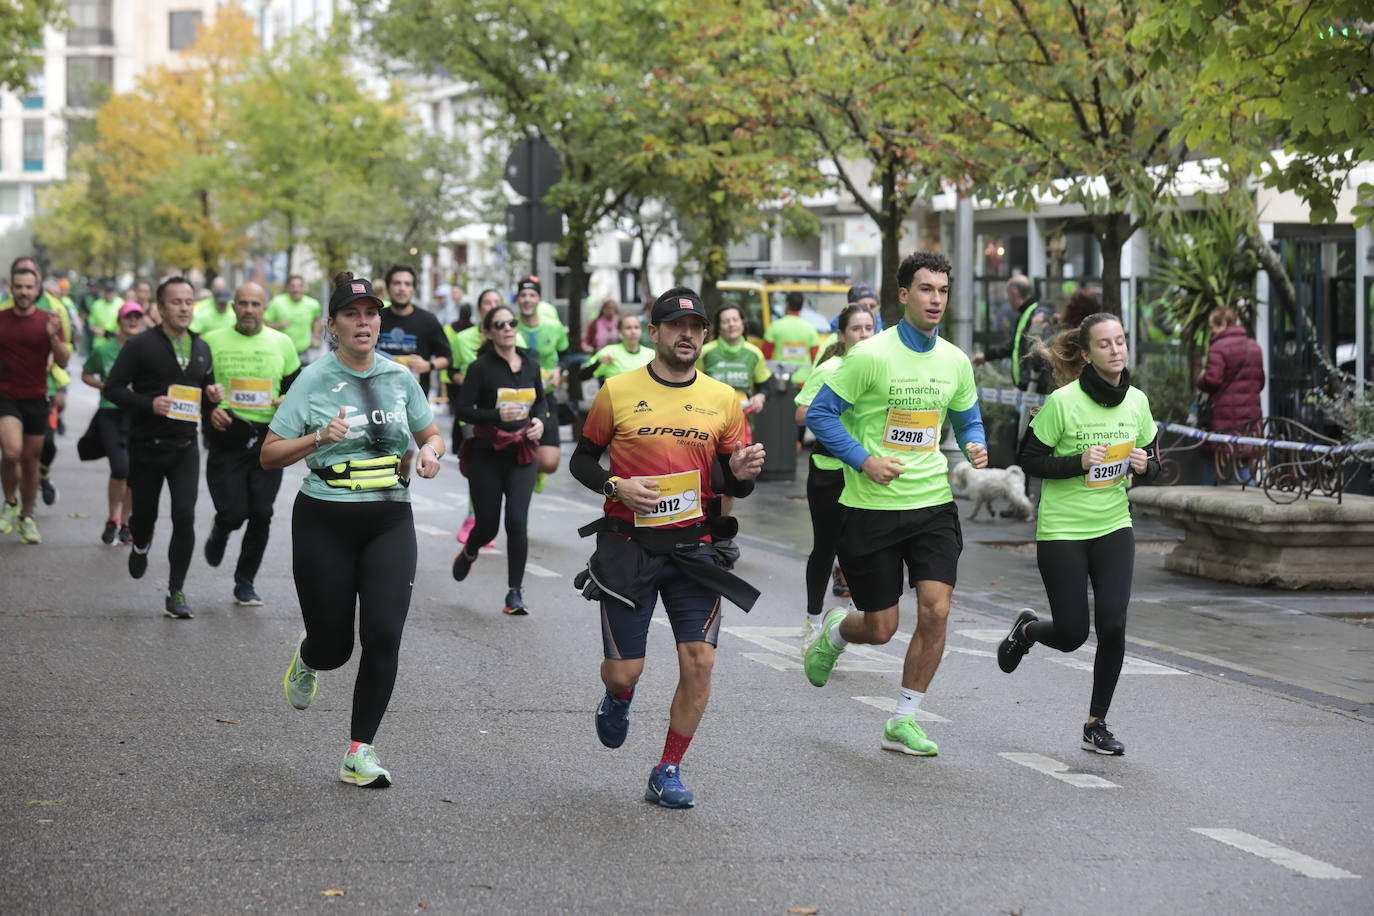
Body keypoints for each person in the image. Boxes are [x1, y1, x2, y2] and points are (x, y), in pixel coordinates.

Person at [570, 286, 765, 808]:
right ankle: (619, 697)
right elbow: (582, 460)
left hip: (695, 549)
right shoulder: (616, 390)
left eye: (696, 327)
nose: (688, 334)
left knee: (699, 661)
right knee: (623, 669)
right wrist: (616, 487)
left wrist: (742, 476)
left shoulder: (723, 399)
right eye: (676, 326)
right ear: (653, 333)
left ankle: (668, 768)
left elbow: (730, 479)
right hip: (629, 547)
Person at [261, 270, 443, 789]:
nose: (363, 322)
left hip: (389, 518)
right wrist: (318, 437)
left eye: (370, 313)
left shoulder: (399, 376)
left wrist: (429, 452)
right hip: (324, 519)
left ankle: (359, 751)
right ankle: (310, 656)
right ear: (332, 326)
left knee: (384, 634)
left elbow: (431, 435)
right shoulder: (313, 380)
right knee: (335, 647)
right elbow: (269, 454)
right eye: (351, 314)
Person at [803, 250, 988, 757]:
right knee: (881, 627)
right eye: (926, 289)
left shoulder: (953, 360)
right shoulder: (869, 356)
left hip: (932, 502)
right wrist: (864, 460)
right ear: (903, 294)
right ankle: (839, 633)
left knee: (937, 609)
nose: (936, 300)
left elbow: (968, 416)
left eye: (943, 291)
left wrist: (975, 442)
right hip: (871, 507)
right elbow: (820, 416)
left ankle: (903, 719)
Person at [998, 313, 1160, 756]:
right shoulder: (1062, 403)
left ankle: (1096, 723)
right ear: (1087, 354)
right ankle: (1028, 631)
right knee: (1071, 633)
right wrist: (1077, 462)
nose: (1116, 350)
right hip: (1063, 531)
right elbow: (1028, 458)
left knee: (1113, 624)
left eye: (1121, 342)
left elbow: (1155, 459)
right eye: (1105, 344)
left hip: (1113, 526)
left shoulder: (1138, 403)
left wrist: (1148, 467)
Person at [103, 277, 223, 619]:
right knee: (145, 518)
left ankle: (176, 591)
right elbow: (113, 388)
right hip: (146, 447)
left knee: (184, 517)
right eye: (176, 302)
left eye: (189, 301)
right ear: (160, 307)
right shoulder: (141, 345)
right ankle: (140, 544)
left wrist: (213, 396)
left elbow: (205, 392)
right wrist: (148, 404)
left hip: (184, 447)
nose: (184, 307)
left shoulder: (201, 347)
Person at [201, 282, 302, 606]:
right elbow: (195, 387)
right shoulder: (211, 342)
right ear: (233, 307)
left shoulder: (282, 343)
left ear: (264, 308)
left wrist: (285, 400)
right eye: (242, 303)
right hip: (227, 434)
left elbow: (299, 390)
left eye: (255, 304)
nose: (248, 310)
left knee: (262, 512)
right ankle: (222, 527)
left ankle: (245, 581)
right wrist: (210, 408)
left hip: (267, 437)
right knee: (233, 512)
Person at [450, 305, 547, 615]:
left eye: (511, 322)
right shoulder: (480, 368)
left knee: (517, 522)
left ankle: (514, 593)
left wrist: (539, 422)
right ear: (489, 332)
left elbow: (542, 402)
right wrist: (494, 414)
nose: (507, 327)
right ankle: (470, 549)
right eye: (500, 324)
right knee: (488, 525)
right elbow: (463, 410)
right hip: (487, 455)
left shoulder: (530, 364)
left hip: (522, 454)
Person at [793, 303, 876, 643]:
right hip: (829, 470)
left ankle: (853, 620)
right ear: (843, 335)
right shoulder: (831, 367)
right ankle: (812, 622)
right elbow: (801, 415)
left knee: (861, 547)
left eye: (869, 328)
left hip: (865, 470)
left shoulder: (879, 369)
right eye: (856, 329)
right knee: (827, 547)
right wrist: (834, 415)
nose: (863, 335)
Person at [0, 262, 71, 544]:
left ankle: (27, 517)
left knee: (30, 462)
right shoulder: (2, 319)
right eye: (18, 287)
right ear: (11, 288)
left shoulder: (49, 319)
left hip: (37, 398)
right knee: (11, 452)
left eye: (29, 287)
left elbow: (63, 361)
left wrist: (54, 337)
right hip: (6, 398)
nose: (24, 292)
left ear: (37, 287)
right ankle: (9, 501)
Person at [79, 301, 145, 546]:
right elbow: (86, 373)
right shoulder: (104, 350)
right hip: (110, 413)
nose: (133, 321)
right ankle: (112, 517)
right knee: (120, 469)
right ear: (119, 320)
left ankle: (125, 523)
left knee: (134, 472)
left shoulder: (145, 348)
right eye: (129, 317)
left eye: (138, 317)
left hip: (136, 415)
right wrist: (104, 386)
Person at [377, 263, 452, 480]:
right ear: (389, 287)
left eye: (407, 284)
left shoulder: (427, 320)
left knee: (405, 458)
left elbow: (447, 359)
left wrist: (428, 365)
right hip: (376, 396)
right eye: (397, 283)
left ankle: (397, 496)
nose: (402, 288)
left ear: (414, 289)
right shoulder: (378, 317)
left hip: (411, 400)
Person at [1195, 305, 1264, 484]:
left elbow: (1212, 381)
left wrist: (1201, 378)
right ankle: (1252, 503)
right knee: (1244, 462)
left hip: (1223, 417)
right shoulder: (1254, 346)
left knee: (1213, 460)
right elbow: (1260, 381)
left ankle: (1207, 501)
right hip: (1250, 418)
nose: (1213, 331)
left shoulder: (1218, 347)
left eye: (1213, 326)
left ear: (1222, 323)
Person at [513, 278, 566, 481]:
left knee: (549, 464)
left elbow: (566, 354)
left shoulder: (553, 326)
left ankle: (537, 471)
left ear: (539, 299)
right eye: (523, 296)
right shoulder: (511, 326)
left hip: (546, 395)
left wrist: (559, 369)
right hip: (517, 397)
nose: (527, 300)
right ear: (518, 299)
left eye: (532, 295)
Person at [971, 274, 1050, 392]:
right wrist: (986, 356)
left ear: (1014, 294)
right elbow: (1013, 345)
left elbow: (1035, 353)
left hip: (1033, 390)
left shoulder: (1036, 316)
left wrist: (1023, 385)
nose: (1008, 301)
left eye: (1008, 297)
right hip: (1028, 388)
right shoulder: (1026, 313)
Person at [265, 275, 323, 360]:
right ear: (288, 288)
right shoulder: (277, 302)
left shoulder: (313, 304)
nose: (296, 289)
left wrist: (316, 337)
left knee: (304, 373)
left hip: (304, 350)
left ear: (304, 288)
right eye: (293, 286)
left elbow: (317, 320)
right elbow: (263, 323)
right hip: (282, 350)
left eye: (300, 286)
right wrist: (278, 326)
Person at [763, 290, 821, 375]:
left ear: (787, 304)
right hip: (804, 379)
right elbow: (815, 358)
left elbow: (765, 355)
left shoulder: (775, 326)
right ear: (801, 306)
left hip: (781, 379)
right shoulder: (810, 329)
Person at [589, 313, 654, 381]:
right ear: (619, 332)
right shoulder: (609, 351)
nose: (633, 331)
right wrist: (598, 363)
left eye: (636, 327)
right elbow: (583, 376)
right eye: (628, 328)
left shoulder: (651, 354)